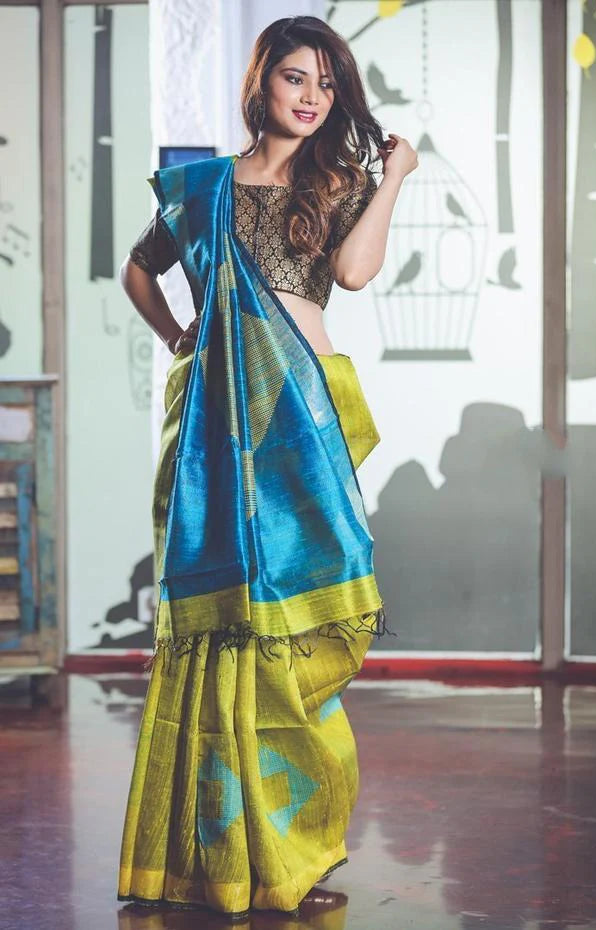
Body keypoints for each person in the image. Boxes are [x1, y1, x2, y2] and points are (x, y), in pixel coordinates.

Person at [116, 14, 418, 921]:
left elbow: (354, 276)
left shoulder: (339, 183)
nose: (312, 96)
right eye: (295, 77)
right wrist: (180, 335)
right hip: (219, 427)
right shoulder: (204, 187)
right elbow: (139, 269)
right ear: (262, 83)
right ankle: (224, 858)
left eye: (326, 83)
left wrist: (395, 178)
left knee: (307, 618)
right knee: (227, 630)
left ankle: (293, 844)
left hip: (302, 420)